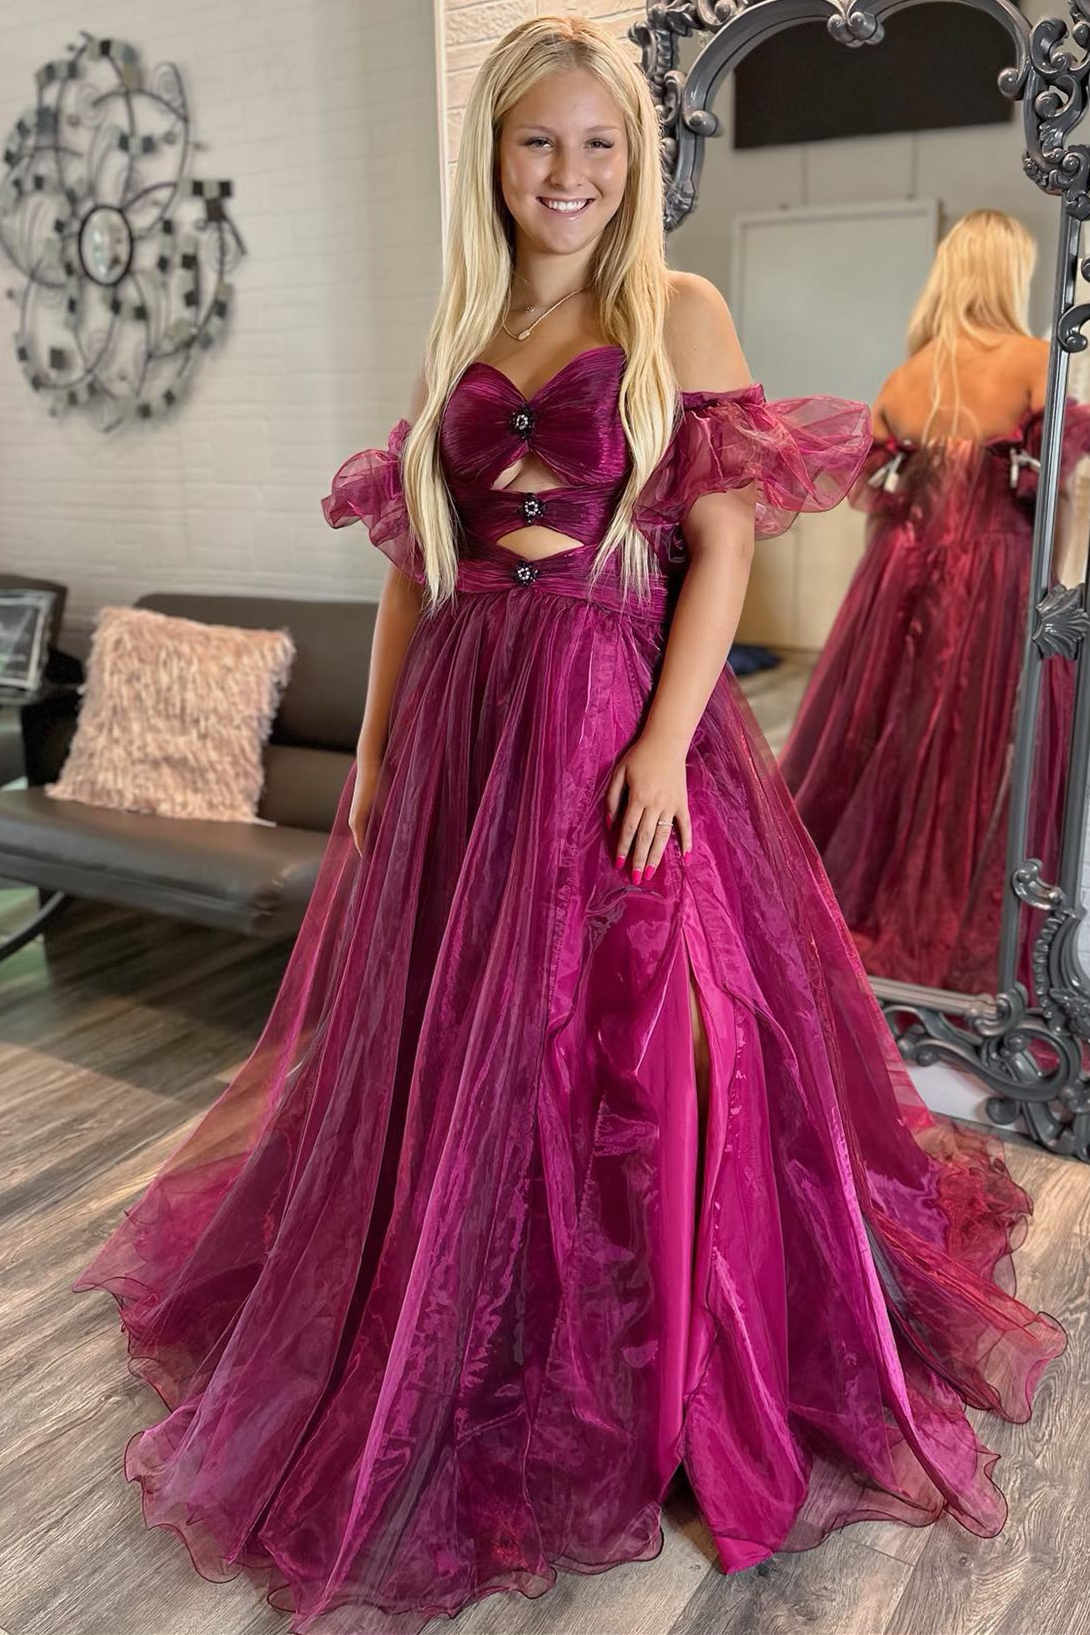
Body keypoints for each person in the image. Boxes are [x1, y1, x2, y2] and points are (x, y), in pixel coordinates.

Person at [71, 27, 1068, 1635]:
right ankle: (489, 1321)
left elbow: (721, 545)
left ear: (633, 161)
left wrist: (667, 739)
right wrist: (377, 750)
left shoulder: (675, 309)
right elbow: (413, 560)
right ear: (494, 156)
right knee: (465, 1031)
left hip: (612, 700)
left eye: (599, 144)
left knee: (656, 1020)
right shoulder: (462, 329)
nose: (570, 174)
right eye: (540, 142)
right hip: (466, 712)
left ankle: (662, 1355)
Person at [779, 209, 1090, 995]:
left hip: (898, 579)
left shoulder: (904, 378)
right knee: (975, 747)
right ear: (1009, 274)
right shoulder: (1035, 360)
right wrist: (1053, 584)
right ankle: (945, 901)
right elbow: (1056, 493)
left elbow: (872, 500)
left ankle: (866, 887)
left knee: (891, 735)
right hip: (996, 571)